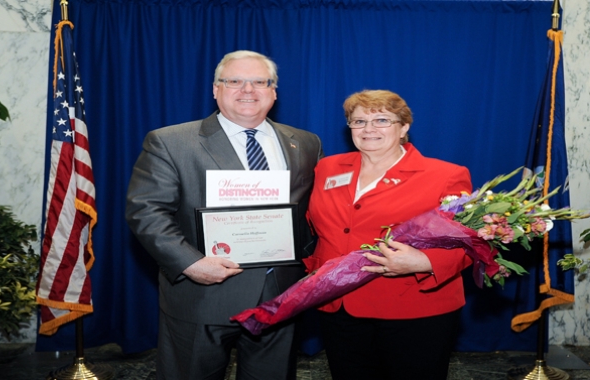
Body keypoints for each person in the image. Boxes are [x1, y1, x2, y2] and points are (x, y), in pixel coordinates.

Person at [125, 50, 323, 380]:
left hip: (280, 293)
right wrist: (190, 263)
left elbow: (314, 210)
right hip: (203, 293)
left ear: (274, 91)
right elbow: (146, 210)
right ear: (216, 89)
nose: (248, 90)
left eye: (260, 81)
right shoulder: (171, 141)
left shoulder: (304, 142)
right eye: (234, 81)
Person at [304, 90, 473, 380]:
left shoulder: (445, 175)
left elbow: (470, 241)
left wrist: (425, 262)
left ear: (404, 127)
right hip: (338, 304)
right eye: (358, 121)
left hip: (413, 307)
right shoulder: (327, 168)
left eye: (381, 120)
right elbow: (314, 224)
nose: (368, 129)